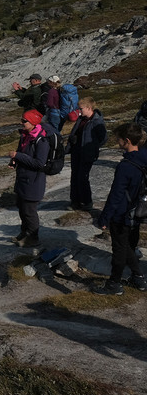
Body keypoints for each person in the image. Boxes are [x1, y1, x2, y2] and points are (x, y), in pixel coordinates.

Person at [93, 124, 147, 296]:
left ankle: (114, 284)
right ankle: (138, 277)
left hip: (122, 214)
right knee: (127, 246)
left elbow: (116, 195)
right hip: (138, 211)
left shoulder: (126, 166)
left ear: (127, 141)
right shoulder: (143, 158)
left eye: (118, 138)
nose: (116, 141)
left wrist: (104, 218)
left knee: (119, 249)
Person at [8, 109, 50, 247]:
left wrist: (18, 156)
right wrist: (15, 161)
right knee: (21, 207)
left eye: (24, 121)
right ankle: (24, 233)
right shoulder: (25, 136)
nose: (21, 123)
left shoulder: (41, 140)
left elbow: (39, 163)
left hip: (34, 181)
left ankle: (33, 238)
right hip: (23, 179)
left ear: (33, 122)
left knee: (29, 212)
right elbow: (22, 153)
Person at [67, 97, 106, 212]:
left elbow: (103, 138)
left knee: (82, 177)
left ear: (89, 108)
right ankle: (75, 201)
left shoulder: (97, 121)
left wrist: (92, 146)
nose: (79, 111)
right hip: (76, 152)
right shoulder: (81, 119)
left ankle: (87, 202)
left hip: (87, 153)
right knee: (75, 176)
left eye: (81, 109)